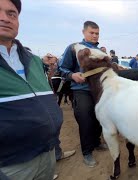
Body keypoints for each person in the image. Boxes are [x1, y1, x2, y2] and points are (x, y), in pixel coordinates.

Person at [0, 0, 63, 179]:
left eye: (12, 14)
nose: (5, 18)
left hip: (47, 155)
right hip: (11, 167)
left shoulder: (33, 61)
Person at [59, 20, 108, 168]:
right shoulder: (74, 48)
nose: (94, 36)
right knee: (85, 120)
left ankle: (97, 142)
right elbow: (62, 68)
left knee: (99, 118)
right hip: (81, 90)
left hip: (99, 91)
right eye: (91, 33)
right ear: (83, 32)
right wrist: (72, 75)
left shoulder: (100, 52)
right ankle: (87, 151)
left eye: (97, 33)